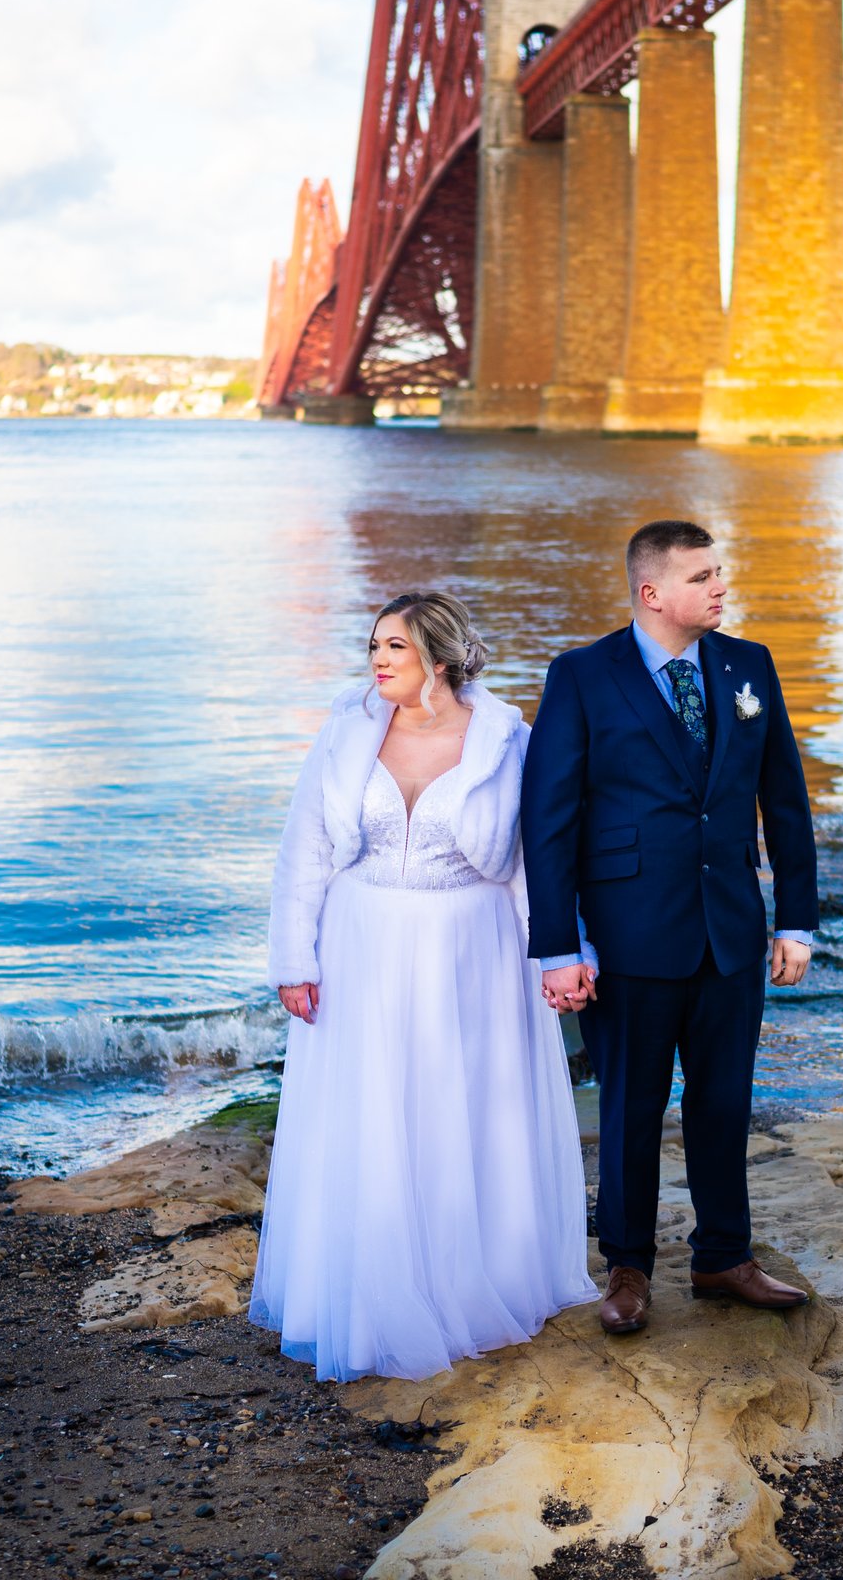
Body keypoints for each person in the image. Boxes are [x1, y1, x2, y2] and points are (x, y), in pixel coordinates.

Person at [251, 590, 596, 1382]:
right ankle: (370, 1288)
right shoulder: (345, 734)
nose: (376, 659)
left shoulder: (507, 740)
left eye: (394, 647)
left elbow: (535, 857)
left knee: (461, 1108)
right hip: (361, 943)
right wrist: (293, 960)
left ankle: (472, 1286)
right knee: (373, 1109)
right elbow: (303, 853)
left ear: (438, 657)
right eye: (373, 645)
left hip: (470, 950)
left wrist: (558, 955)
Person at [521, 520, 820, 1335]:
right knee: (629, 1109)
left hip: (731, 927)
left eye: (719, 572)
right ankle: (627, 1269)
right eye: (702, 576)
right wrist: (557, 945)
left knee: (725, 1101)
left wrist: (796, 919)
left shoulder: (747, 665)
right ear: (652, 593)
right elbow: (547, 822)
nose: (720, 587)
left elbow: (784, 800)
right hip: (627, 935)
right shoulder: (582, 676)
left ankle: (725, 1256)